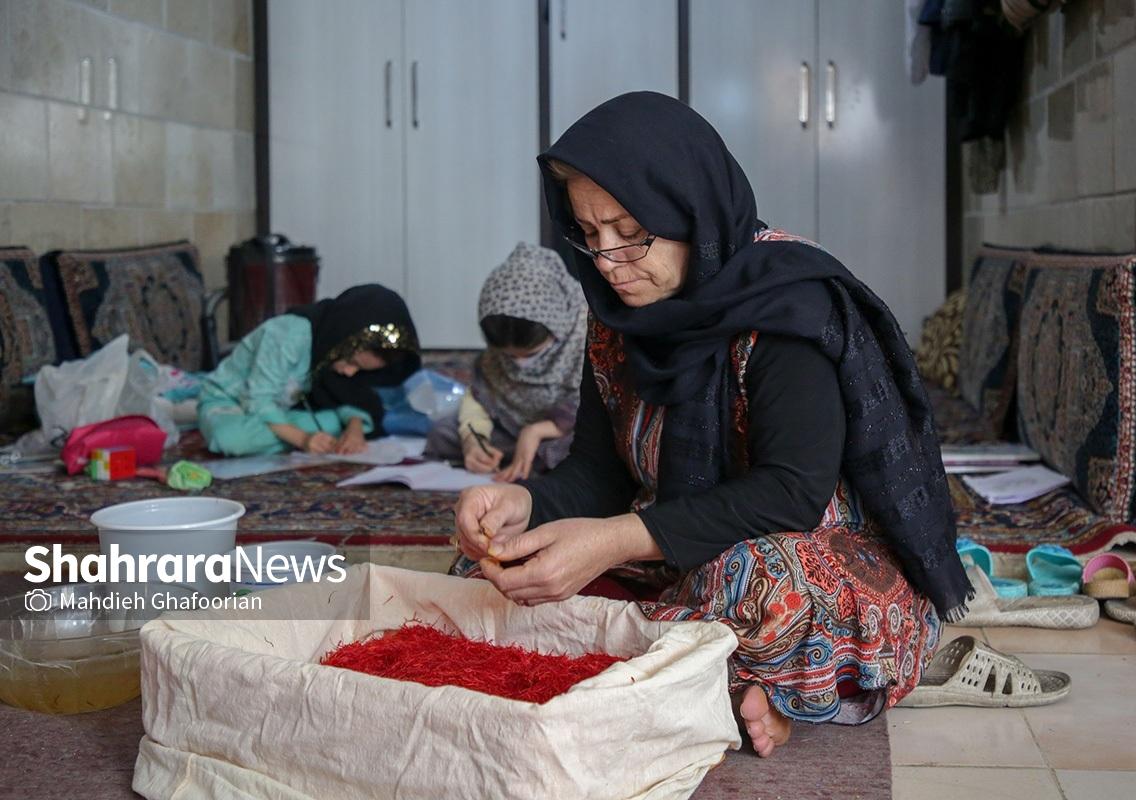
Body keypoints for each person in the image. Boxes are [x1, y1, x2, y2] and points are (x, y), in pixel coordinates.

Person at [451, 92, 969, 758]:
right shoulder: (616, 314)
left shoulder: (787, 306)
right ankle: (707, 682)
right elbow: (598, 476)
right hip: (666, 556)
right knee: (490, 564)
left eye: (629, 229)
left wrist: (611, 543)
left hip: (799, 551)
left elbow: (792, 491)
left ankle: (702, 674)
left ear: (688, 210)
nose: (608, 259)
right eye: (589, 231)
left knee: (762, 583)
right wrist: (521, 504)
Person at [424, 242, 587, 482]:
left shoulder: (586, 331)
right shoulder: (499, 343)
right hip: (510, 430)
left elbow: (599, 405)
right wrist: (473, 441)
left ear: (556, 329)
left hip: (564, 430)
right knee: (443, 433)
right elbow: (480, 396)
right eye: (509, 356)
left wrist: (536, 431)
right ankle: (520, 460)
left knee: (578, 450)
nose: (519, 364)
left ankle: (532, 458)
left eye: (531, 354)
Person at [199, 284, 420, 457]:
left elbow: (346, 393)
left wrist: (354, 429)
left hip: (281, 411)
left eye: (360, 369)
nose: (350, 373)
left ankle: (284, 433)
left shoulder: (332, 346)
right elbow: (258, 399)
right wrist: (303, 439)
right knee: (229, 439)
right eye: (351, 361)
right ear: (345, 339)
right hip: (229, 403)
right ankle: (297, 431)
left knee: (337, 423)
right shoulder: (289, 335)